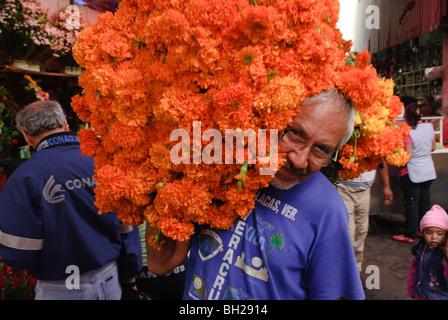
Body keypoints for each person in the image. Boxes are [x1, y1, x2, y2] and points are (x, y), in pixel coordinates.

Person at [146, 88, 365, 300]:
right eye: (294, 134)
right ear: (270, 117)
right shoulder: (217, 167)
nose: (299, 160)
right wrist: (166, 175)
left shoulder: (327, 209)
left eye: (322, 150)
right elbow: (160, 263)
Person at [0, 101, 142, 300]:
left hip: (60, 287)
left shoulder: (23, 178)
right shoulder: (101, 162)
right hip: (109, 279)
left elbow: (18, 253)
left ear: (27, 136)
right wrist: (130, 278)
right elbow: (127, 226)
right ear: (65, 124)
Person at [337, 159, 393, 272]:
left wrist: (386, 186)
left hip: (365, 191)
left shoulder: (377, 143)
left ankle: (355, 271)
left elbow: (381, 162)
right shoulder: (348, 142)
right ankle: (344, 273)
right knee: (348, 234)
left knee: (361, 232)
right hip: (344, 191)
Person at [393, 104, 437, 243]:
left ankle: (409, 234)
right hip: (428, 171)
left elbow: (408, 155)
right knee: (424, 204)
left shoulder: (408, 133)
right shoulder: (429, 127)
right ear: (421, 115)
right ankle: (423, 231)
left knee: (412, 205)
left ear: (406, 116)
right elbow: (433, 147)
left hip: (413, 173)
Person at [407, 205, 448, 300]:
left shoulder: (444, 254)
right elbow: (412, 271)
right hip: (420, 294)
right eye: (429, 232)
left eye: (439, 233)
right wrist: (411, 290)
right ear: (422, 233)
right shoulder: (421, 249)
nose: (434, 237)